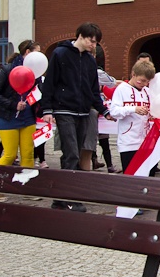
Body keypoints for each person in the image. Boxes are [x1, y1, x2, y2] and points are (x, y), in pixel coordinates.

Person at [39, 23, 113, 211]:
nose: (93, 45)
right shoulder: (60, 54)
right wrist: (47, 109)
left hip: (83, 111)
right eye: (91, 41)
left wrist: (104, 110)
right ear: (80, 36)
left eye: (96, 43)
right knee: (71, 152)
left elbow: (92, 90)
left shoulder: (89, 61)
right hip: (64, 110)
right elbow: (50, 82)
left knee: (76, 154)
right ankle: (69, 197)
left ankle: (62, 198)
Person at [0, 40, 39, 174]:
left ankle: (27, 188)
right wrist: (13, 105)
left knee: (28, 155)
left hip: (28, 118)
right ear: (28, 52)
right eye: (37, 52)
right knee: (10, 155)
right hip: (7, 117)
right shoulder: (7, 69)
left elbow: (38, 93)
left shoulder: (36, 72)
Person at [109, 60, 155, 171]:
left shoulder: (148, 92)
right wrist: (133, 109)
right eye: (142, 81)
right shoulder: (121, 89)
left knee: (148, 174)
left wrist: (152, 114)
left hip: (146, 141)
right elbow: (114, 111)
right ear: (133, 74)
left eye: (147, 82)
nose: (144, 84)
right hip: (128, 142)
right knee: (130, 174)